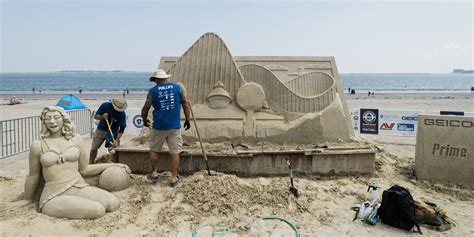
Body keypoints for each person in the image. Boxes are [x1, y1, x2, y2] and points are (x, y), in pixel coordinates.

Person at [0, 106, 130, 219]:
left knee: (112, 203)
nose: (52, 122)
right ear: (43, 121)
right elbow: (33, 175)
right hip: (54, 195)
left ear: (64, 119)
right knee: (97, 210)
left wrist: (113, 165)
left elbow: (84, 169)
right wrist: (27, 199)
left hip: (78, 186)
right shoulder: (38, 145)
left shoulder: (76, 140)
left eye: (56, 117)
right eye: (48, 118)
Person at [141, 69, 191, 186]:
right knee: (175, 151)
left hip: (158, 126)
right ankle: (174, 178)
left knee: (154, 149)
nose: (155, 82)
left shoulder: (153, 91)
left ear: (157, 79)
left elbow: (145, 108)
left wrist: (144, 119)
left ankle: (154, 174)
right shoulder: (177, 88)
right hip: (174, 127)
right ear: (166, 78)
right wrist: (187, 119)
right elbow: (186, 104)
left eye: (155, 80)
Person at [89, 98, 127, 164]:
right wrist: (102, 117)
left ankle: (115, 164)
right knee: (94, 148)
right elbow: (96, 116)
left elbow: (122, 129)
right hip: (101, 130)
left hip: (113, 132)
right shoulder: (105, 105)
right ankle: (90, 163)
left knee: (113, 150)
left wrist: (117, 140)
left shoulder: (122, 114)